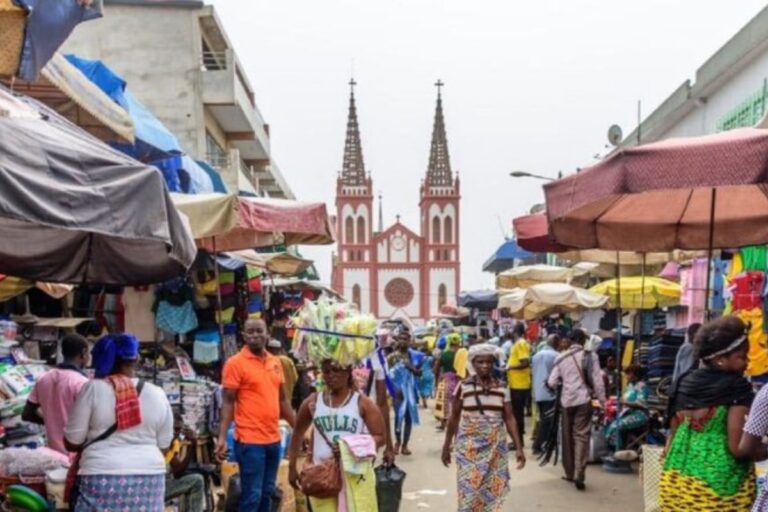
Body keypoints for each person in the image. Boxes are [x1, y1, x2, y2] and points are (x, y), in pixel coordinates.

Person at [64, 334, 173, 511]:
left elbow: (72, 442)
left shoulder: (93, 389)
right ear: (136, 359)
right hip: (150, 477)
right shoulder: (157, 393)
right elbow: (164, 445)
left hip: (100, 476)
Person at [661, 316, 755, 511]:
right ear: (720, 359)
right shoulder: (736, 387)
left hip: (675, 482)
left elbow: (670, 440)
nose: (747, 362)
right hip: (719, 488)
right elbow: (738, 448)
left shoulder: (681, 383)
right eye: (742, 356)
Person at [215, 318, 296, 512]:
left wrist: (299, 429)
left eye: (259, 331)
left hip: (273, 440)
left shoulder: (276, 362)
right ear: (243, 336)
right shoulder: (235, 364)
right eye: (250, 332)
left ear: (267, 334)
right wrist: (221, 437)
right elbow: (228, 402)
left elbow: (282, 401)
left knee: (268, 493)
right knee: (252, 495)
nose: (255, 335)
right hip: (249, 441)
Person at [288, 358, 385, 511]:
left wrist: (349, 447)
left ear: (347, 373)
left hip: (353, 475)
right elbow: (297, 433)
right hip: (321, 476)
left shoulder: (362, 403)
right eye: (326, 371)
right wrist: (292, 467)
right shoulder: (312, 403)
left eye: (336, 370)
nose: (331, 375)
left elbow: (380, 437)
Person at [441, 343, 526, 512]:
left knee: (491, 490)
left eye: (488, 362)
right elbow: (454, 417)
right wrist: (446, 446)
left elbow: (509, 418)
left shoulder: (502, 387)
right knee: (469, 489)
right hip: (469, 447)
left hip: (495, 445)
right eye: (480, 362)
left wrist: (518, 447)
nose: (485, 365)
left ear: (493, 363)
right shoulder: (463, 386)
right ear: (473, 363)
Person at [547, 329, 606, 491]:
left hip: (566, 402)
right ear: (582, 340)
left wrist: (563, 384)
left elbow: (552, 382)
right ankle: (580, 471)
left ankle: (570, 472)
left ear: (570, 340)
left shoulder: (561, 357)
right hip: (584, 400)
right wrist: (603, 402)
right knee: (581, 436)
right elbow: (598, 382)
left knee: (567, 437)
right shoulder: (591, 356)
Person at [23, 333, 89, 455]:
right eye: (88, 353)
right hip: (77, 456)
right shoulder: (82, 383)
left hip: (53, 455)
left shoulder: (44, 378)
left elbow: (27, 413)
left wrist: (51, 422)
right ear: (83, 353)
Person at [388, 327, 423, 455]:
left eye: (406, 339)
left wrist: (416, 370)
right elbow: (388, 376)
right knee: (398, 417)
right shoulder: (392, 357)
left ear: (410, 341)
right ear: (398, 340)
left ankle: (405, 445)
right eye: (401, 338)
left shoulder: (414, 356)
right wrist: (393, 390)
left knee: (408, 418)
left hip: (411, 391)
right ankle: (397, 441)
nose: (403, 341)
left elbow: (420, 374)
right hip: (398, 391)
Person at [364, 329, 396, 464]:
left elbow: (382, 403)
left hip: (366, 429)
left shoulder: (377, 359)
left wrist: (389, 444)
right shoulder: (338, 357)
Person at [165, 416, 206, 512]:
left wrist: (193, 446)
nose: (176, 433)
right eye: (174, 429)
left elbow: (178, 472)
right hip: (153, 486)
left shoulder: (174, 443)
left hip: (164, 486)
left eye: (178, 430)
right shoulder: (159, 441)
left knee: (197, 480)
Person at [604, 364, 649, 449]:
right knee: (608, 422)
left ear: (636, 375)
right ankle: (615, 448)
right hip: (628, 413)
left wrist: (624, 402)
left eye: (629, 373)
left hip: (640, 415)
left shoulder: (642, 386)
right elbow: (625, 399)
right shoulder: (630, 386)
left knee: (617, 425)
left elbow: (640, 403)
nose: (626, 376)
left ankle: (619, 449)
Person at [531, 334, 559, 455]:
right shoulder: (556, 356)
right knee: (547, 420)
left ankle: (543, 443)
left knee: (544, 418)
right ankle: (539, 445)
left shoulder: (536, 355)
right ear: (556, 343)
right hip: (550, 392)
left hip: (538, 392)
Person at [506, 322, 532, 446]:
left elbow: (525, 363)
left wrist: (509, 367)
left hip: (519, 385)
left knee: (517, 414)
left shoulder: (521, 343)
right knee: (516, 413)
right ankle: (517, 441)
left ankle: (518, 442)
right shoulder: (517, 344)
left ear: (515, 331)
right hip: (516, 383)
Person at [434, 333, 461, 430]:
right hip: (459, 380)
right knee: (456, 402)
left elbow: (436, 369)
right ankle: (456, 423)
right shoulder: (461, 354)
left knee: (444, 402)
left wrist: (436, 380)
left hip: (446, 379)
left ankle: (443, 423)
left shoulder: (444, 354)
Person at [267, 339, 299, 407]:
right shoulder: (288, 360)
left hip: (273, 400)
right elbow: (295, 378)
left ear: (269, 349)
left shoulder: (268, 361)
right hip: (287, 399)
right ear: (280, 349)